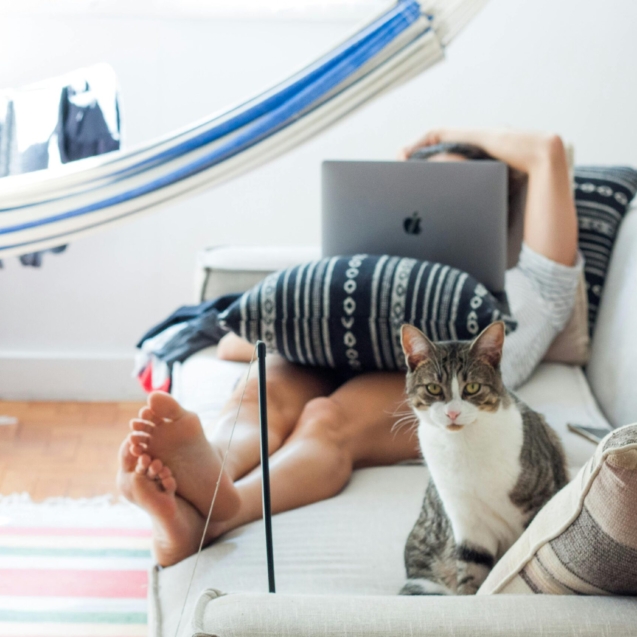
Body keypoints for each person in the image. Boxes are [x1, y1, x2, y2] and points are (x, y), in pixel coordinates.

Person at [117, 128, 582, 566]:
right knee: (261, 394)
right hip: (344, 350)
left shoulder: (528, 291)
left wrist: (450, 136)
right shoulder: (365, 277)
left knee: (327, 420)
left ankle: (221, 513)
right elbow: (233, 344)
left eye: (451, 193)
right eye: (420, 194)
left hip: (439, 378)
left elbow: (549, 150)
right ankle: (211, 462)